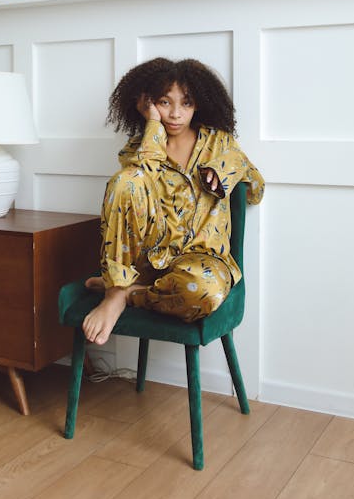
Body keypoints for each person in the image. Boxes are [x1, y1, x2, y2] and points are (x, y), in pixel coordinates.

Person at [82, 57, 265, 346]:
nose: (176, 114)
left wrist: (231, 165)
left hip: (199, 262)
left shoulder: (219, 143)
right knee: (126, 180)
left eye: (187, 103)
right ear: (147, 103)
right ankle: (115, 292)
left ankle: (132, 295)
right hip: (148, 258)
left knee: (204, 291)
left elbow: (256, 190)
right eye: (165, 103)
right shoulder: (139, 147)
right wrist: (153, 125)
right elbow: (137, 176)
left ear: (200, 104)